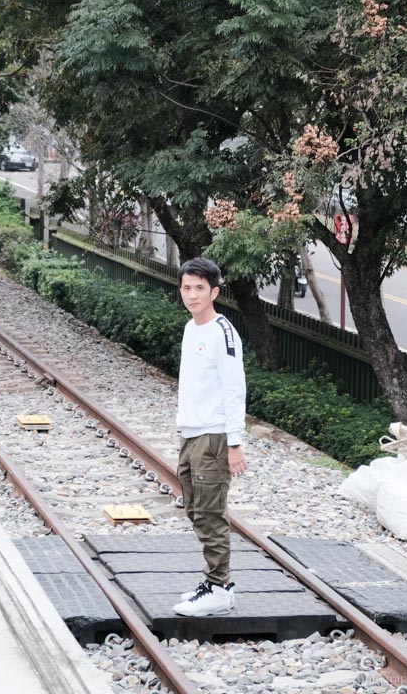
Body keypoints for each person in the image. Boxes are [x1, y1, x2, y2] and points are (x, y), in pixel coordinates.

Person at [173, 257, 247, 617]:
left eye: (199, 288)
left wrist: (234, 444)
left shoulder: (223, 333)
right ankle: (214, 581)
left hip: (214, 436)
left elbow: (235, 390)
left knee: (210, 511)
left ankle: (220, 587)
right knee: (194, 507)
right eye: (186, 287)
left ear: (215, 291)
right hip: (191, 432)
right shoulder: (191, 328)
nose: (192, 294)